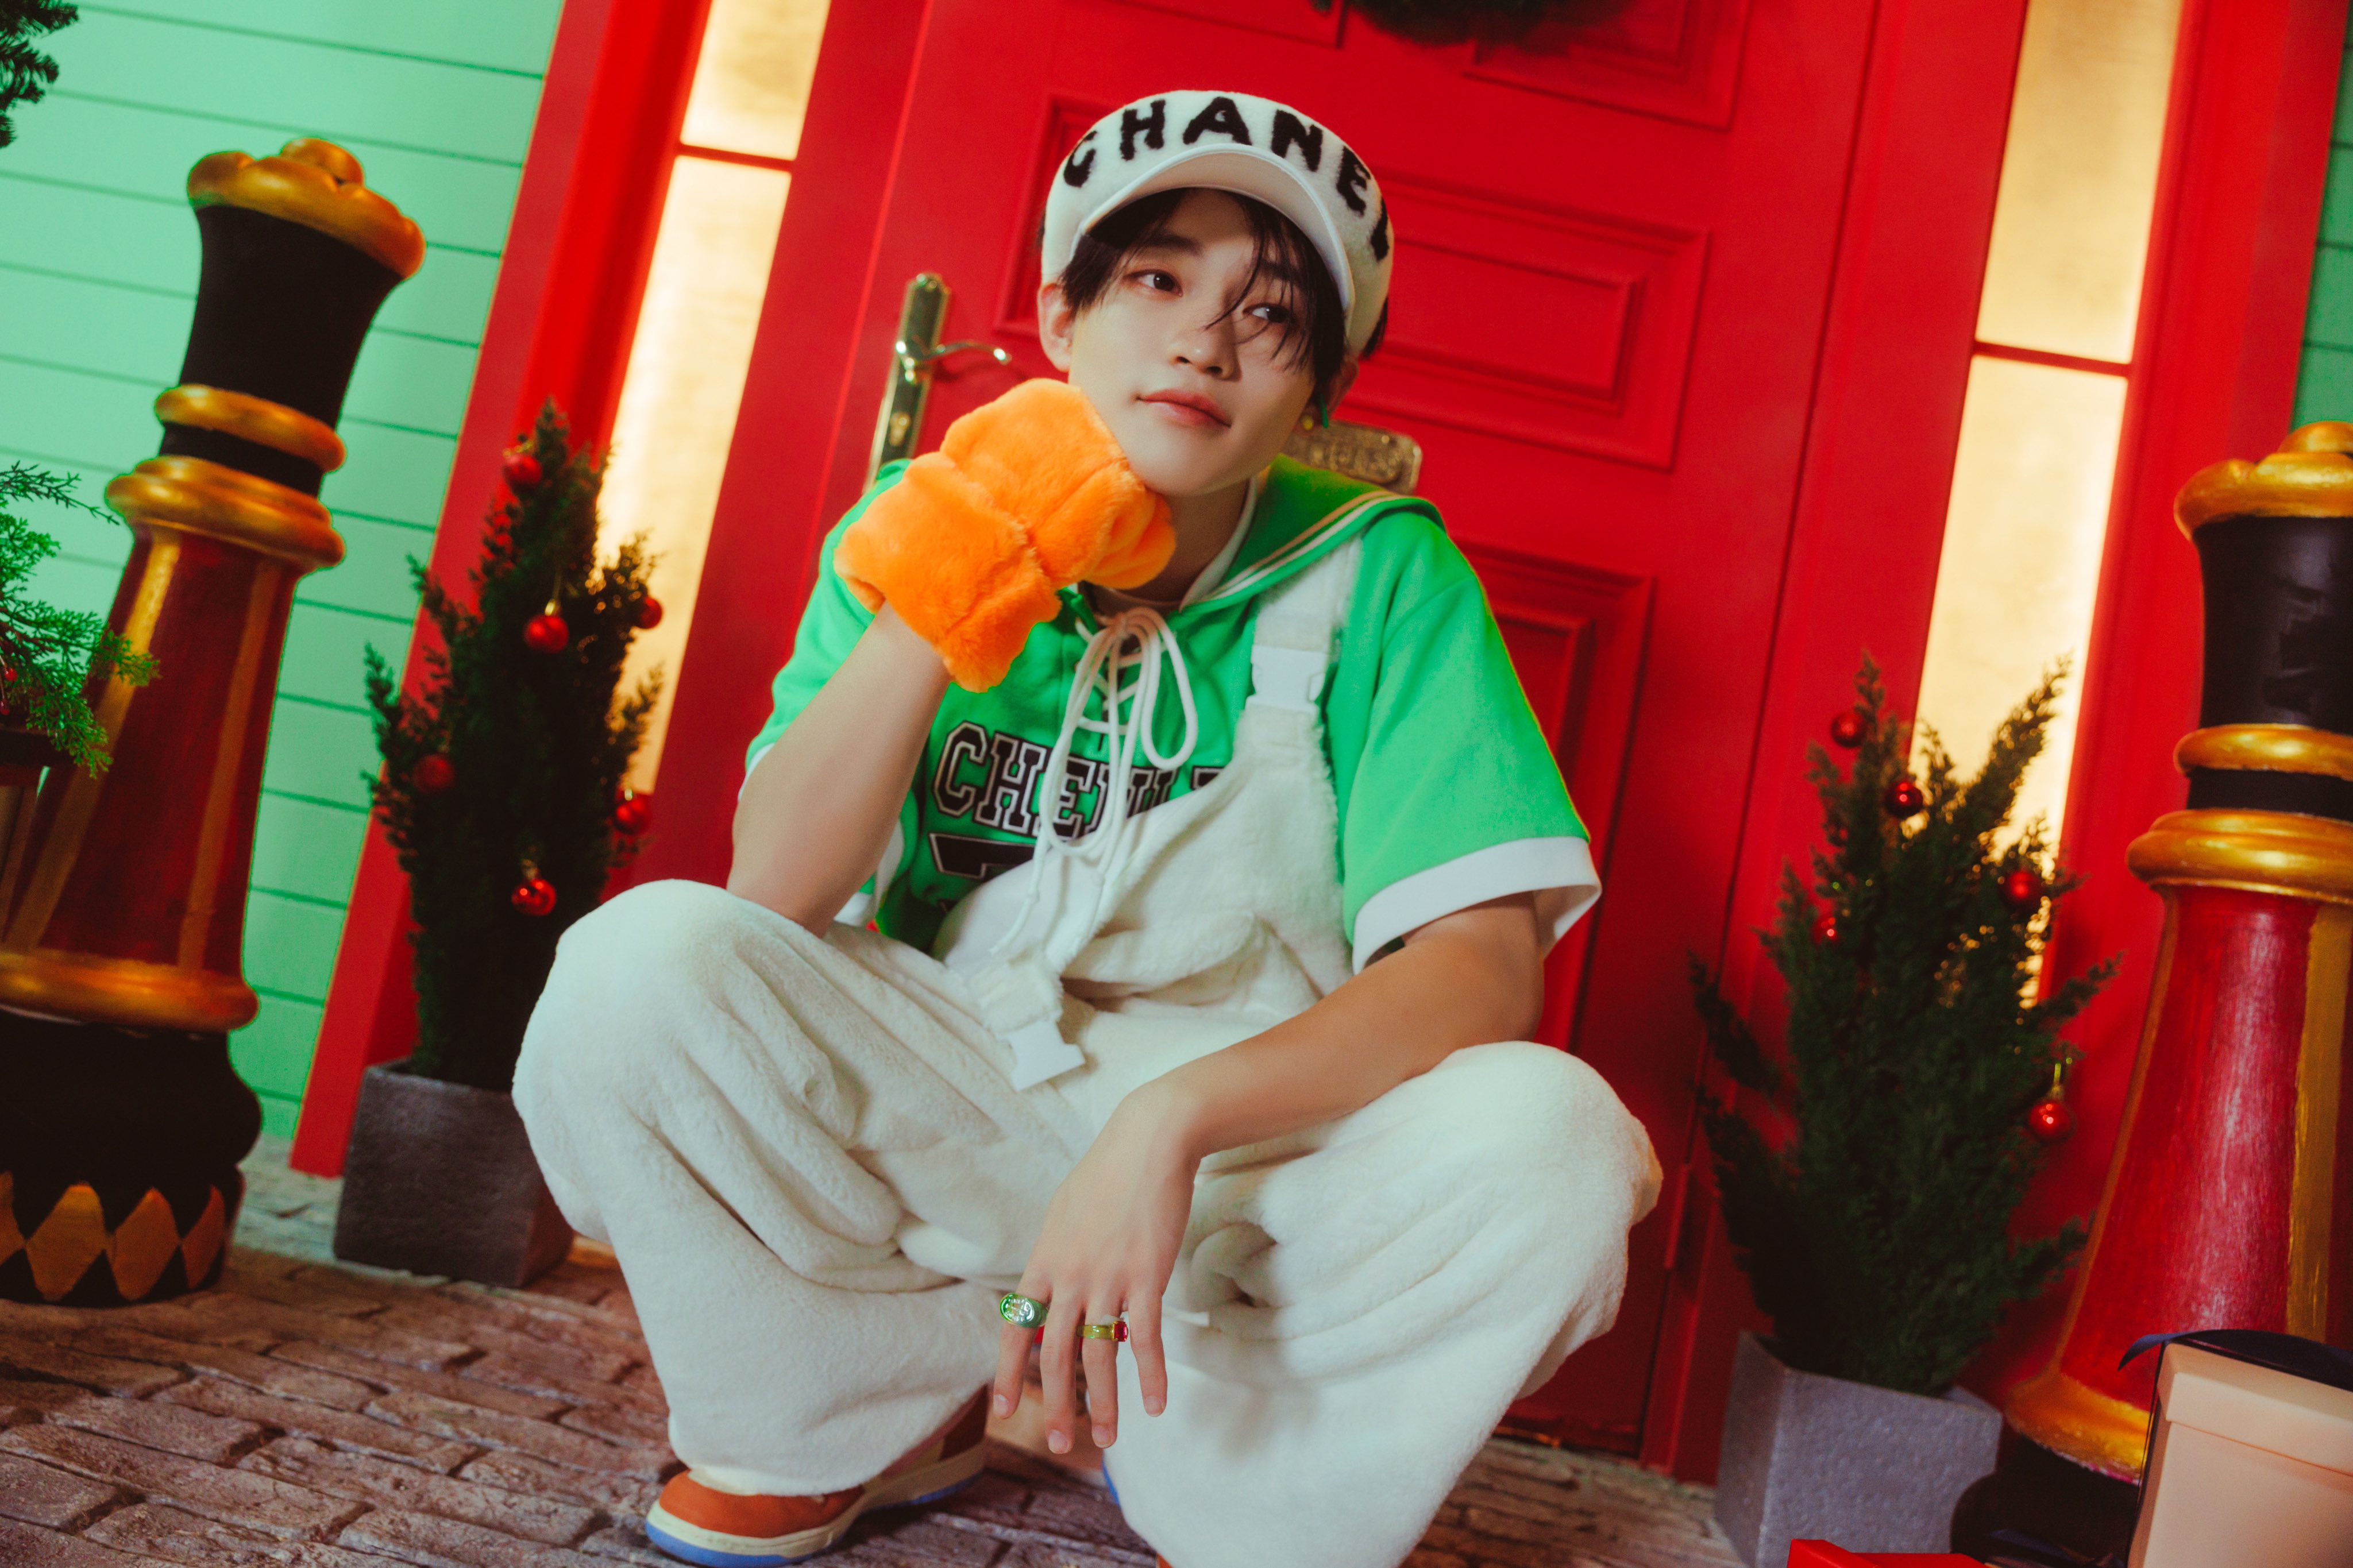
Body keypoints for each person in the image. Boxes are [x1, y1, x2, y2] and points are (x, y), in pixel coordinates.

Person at [514, 90, 1660, 1568]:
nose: (1202, 344)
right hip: (956, 1090)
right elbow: (771, 890)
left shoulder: (1382, 574)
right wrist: (956, 574)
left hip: (1245, 1164)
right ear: (1061, 317)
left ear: (1318, 393)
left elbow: (1481, 971)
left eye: (1270, 316)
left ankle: (1231, 1469)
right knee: (637, 964)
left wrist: (1166, 1124)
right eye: (1156, 281)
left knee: (1560, 1143)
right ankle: (834, 1410)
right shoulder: (914, 522)